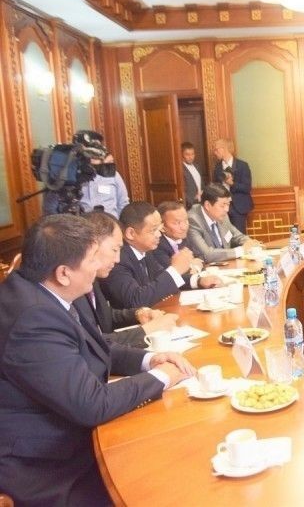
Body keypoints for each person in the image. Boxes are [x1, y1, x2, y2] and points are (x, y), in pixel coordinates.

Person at [0, 214, 194, 505]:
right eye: (92, 259)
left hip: (68, 436)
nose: (100, 265)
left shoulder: (47, 289)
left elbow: (96, 346)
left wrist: (150, 360)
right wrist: (163, 376)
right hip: (47, 466)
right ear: (64, 273)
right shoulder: (33, 319)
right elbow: (92, 405)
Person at [80, 211, 179, 348]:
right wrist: (146, 330)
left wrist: (137, 314)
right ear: (91, 246)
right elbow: (89, 345)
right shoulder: (73, 288)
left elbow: (103, 317)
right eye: (114, 250)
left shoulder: (92, 279)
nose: (117, 259)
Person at [100, 201, 219, 309]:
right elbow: (136, 300)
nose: (159, 234)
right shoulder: (118, 260)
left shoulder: (146, 251)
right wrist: (175, 270)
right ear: (131, 233)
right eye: (153, 230)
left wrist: (198, 281)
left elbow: (161, 280)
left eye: (159, 228)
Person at [187, 183, 260, 263]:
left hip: (227, 266)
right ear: (207, 205)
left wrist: (249, 242)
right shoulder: (193, 220)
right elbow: (207, 255)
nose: (227, 209)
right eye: (222, 206)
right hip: (206, 268)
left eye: (228, 204)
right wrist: (240, 250)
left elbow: (237, 236)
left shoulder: (223, 215)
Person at [212, 138, 253, 233]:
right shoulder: (217, 167)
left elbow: (247, 188)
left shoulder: (242, 166)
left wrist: (232, 184)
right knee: (225, 236)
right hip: (221, 208)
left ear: (223, 149)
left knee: (239, 237)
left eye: (216, 149)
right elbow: (215, 187)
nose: (215, 153)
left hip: (238, 208)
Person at [152, 200, 202, 269]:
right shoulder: (157, 245)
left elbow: (200, 257)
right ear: (162, 227)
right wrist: (193, 266)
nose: (184, 227)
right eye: (177, 223)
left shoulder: (185, 238)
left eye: (185, 220)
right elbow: (172, 270)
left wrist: (195, 266)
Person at [181, 141, 203, 209]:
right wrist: (191, 200)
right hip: (189, 205)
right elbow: (181, 189)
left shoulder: (197, 166)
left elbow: (200, 184)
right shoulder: (180, 169)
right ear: (182, 154)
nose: (191, 157)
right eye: (187, 154)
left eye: (192, 154)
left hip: (200, 202)